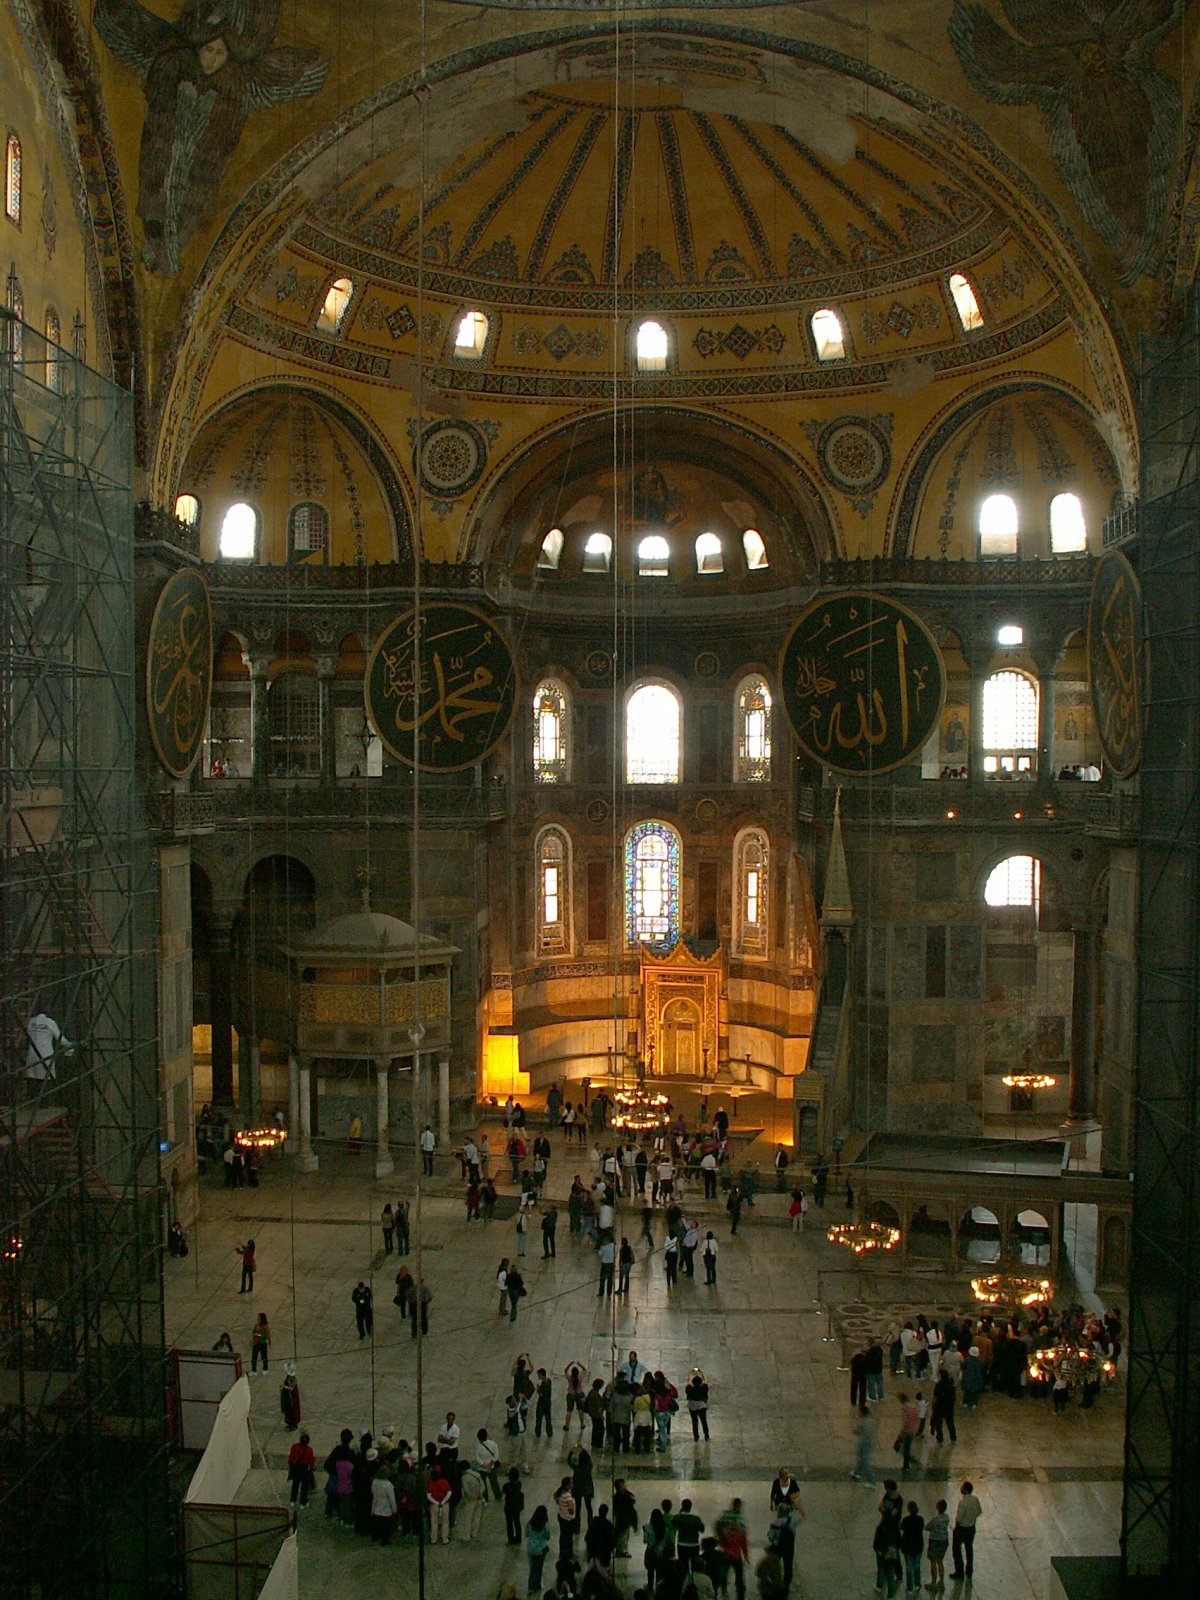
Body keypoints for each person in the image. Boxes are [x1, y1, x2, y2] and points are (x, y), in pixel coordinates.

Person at [24, 1005, 72, 1093]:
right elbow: (60, 1039)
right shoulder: (50, 1022)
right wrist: (70, 1045)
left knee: (32, 1078)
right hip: (46, 1054)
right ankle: (44, 1104)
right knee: (46, 1079)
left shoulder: (30, 1021)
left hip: (32, 1054)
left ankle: (31, 1102)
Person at [715, 1498, 749, 1600]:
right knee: (739, 1576)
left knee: (724, 1573)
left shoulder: (726, 1517)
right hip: (736, 1555)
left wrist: (722, 1543)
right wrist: (746, 1555)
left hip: (727, 1553)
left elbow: (718, 1530)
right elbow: (743, 1541)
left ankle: (724, 1590)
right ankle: (740, 1595)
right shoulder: (740, 1522)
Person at [950, 1481, 982, 1581]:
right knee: (969, 1549)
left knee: (956, 1550)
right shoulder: (975, 1500)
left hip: (962, 1529)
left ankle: (959, 1571)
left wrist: (955, 1528)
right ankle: (969, 1571)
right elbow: (979, 1512)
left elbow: (959, 1518)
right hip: (971, 1527)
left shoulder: (963, 1503)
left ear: (965, 1489)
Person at [873, 1511, 903, 1598]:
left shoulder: (880, 1528)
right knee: (890, 1572)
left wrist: (877, 1550)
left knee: (881, 1569)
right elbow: (899, 1540)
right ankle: (890, 1593)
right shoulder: (895, 1528)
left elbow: (876, 1541)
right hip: (892, 1553)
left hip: (882, 1552)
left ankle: (879, 1585)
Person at [899, 1500, 925, 1595]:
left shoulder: (906, 1520)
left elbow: (901, 1528)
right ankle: (917, 1583)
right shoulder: (920, 1519)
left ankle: (910, 1587)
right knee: (917, 1565)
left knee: (909, 1567)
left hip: (908, 1547)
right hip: (918, 1546)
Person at [527, 1505, 552, 1594]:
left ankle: (532, 1586)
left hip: (530, 1549)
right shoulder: (544, 1525)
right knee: (538, 1569)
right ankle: (535, 1586)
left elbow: (526, 1534)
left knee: (532, 1568)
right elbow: (548, 1536)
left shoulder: (530, 1523)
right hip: (540, 1550)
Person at [287, 1430, 315, 1509]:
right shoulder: (309, 1450)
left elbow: (290, 1458)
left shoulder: (294, 1446)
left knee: (295, 1485)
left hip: (296, 1468)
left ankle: (293, 1500)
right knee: (304, 1487)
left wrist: (291, 1466)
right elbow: (311, 1461)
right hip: (304, 1469)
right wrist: (311, 1469)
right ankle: (303, 1503)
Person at [926, 1499, 950, 1591]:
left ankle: (933, 1583)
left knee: (933, 1562)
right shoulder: (947, 1517)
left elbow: (928, 1527)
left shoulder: (935, 1519)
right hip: (944, 1541)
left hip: (935, 1541)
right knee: (940, 1561)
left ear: (938, 1508)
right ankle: (941, 1581)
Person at [851, 1403, 876, 1485]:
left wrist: (853, 1429)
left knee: (864, 1461)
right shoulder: (872, 1421)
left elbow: (856, 1432)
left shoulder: (861, 1422)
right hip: (870, 1442)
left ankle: (872, 1481)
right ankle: (856, 1472)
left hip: (863, 1443)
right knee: (861, 1459)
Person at [427, 1462, 452, 1544]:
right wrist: (443, 1501)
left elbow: (429, 1495)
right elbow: (449, 1492)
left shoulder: (431, 1484)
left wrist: (436, 1502)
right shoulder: (445, 1482)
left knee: (434, 1522)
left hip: (434, 1505)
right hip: (444, 1504)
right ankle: (445, 1538)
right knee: (445, 1522)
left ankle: (433, 1538)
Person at [371, 1467, 396, 1544]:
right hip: (386, 1508)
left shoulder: (375, 1482)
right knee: (386, 1526)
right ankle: (385, 1540)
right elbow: (391, 1498)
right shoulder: (388, 1484)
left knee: (377, 1524)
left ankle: (375, 1537)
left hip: (376, 1505)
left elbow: (373, 1492)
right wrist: (394, 1509)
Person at [502, 1466, 525, 1544]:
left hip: (508, 1506)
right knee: (517, 1522)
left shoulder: (507, 1486)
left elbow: (504, 1489)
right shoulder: (518, 1484)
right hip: (516, 1507)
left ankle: (510, 1538)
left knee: (509, 1523)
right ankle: (518, 1538)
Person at [686, 1367, 710, 1441]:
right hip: (701, 1406)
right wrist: (701, 1371)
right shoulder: (703, 1388)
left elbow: (689, 1380)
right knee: (704, 1421)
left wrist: (691, 1372)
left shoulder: (689, 1388)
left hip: (692, 1406)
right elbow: (706, 1380)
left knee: (694, 1422)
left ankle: (696, 1436)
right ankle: (706, 1435)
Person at [280, 1362, 301, 1429]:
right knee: (288, 1410)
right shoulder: (289, 1377)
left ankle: (293, 1424)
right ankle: (290, 1423)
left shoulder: (292, 1378)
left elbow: (292, 1388)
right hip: (288, 1396)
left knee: (292, 1410)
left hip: (291, 1397)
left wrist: (284, 1387)